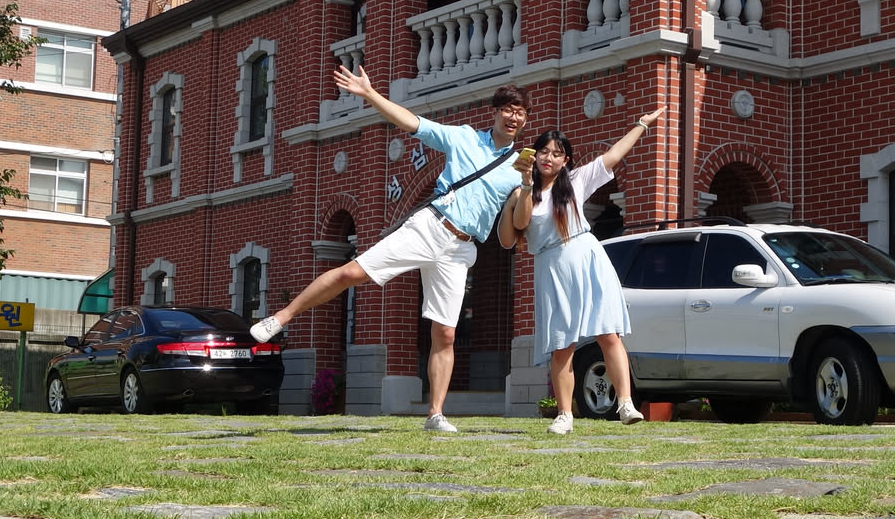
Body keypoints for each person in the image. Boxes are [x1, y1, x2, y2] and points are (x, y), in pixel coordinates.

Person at [250, 66, 531, 433]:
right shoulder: (464, 138)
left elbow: (516, 224)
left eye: (520, 112)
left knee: (445, 334)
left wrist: (528, 184)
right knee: (352, 272)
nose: (514, 117)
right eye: (508, 109)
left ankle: (435, 414)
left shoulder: (517, 167)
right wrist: (370, 95)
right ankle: (281, 317)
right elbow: (413, 123)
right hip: (431, 226)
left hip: (461, 248)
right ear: (495, 112)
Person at [496, 109, 662, 434]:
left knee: (608, 334)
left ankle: (625, 403)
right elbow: (515, 230)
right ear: (534, 155)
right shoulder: (522, 192)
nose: (549, 158)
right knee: (562, 345)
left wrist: (642, 124)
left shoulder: (575, 182)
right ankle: (564, 415)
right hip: (552, 268)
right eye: (544, 151)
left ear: (565, 161)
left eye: (556, 154)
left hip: (588, 259)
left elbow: (613, 155)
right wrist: (525, 187)